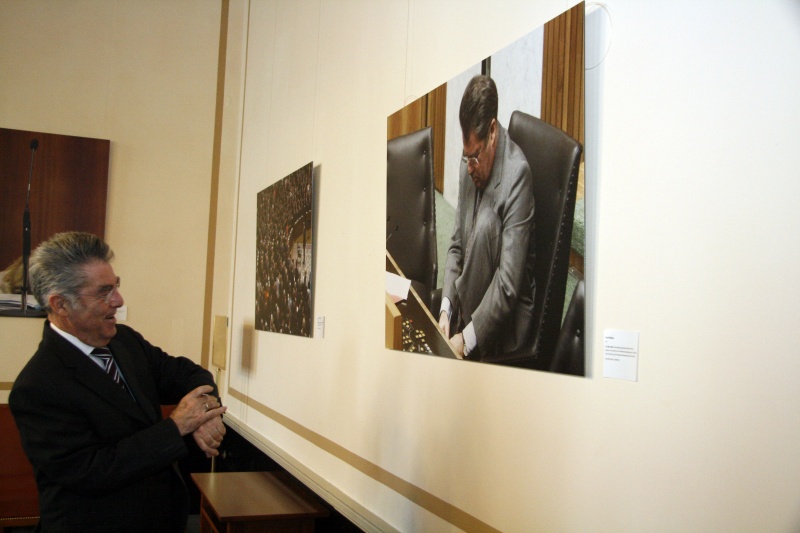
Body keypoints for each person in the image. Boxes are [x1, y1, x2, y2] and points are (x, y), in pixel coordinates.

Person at [9, 232, 227, 532]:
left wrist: (203, 415)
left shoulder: (125, 341)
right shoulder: (37, 386)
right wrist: (177, 427)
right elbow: (90, 472)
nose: (119, 300)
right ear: (60, 304)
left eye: (116, 286)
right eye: (103, 292)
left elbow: (190, 374)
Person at [438, 75, 536, 361]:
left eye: (475, 157)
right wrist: (446, 310)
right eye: (466, 157)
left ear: (492, 132)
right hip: (471, 296)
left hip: (506, 328)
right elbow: (457, 243)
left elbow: (507, 286)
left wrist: (465, 340)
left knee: (486, 223)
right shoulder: (470, 160)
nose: (469, 167)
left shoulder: (518, 176)